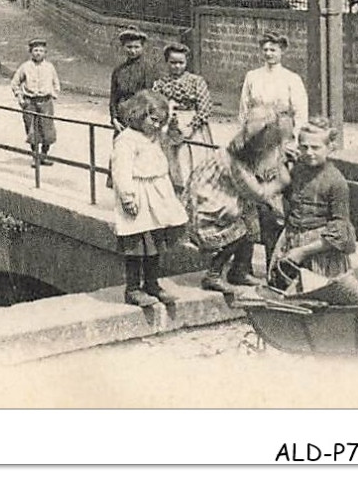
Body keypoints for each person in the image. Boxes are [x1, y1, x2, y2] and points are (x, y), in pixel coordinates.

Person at [183, 104, 290, 294]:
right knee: (243, 228)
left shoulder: (242, 151)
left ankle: (239, 270)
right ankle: (213, 275)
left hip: (218, 200)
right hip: (206, 209)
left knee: (250, 218)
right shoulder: (235, 162)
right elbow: (258, 192)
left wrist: (280, 155)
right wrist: (282, 181)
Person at [272, 122, 358, 306]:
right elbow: (280, 192)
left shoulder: (336, 182)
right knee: (288, 299)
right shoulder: (297, 170)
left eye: (316, 147)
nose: (309, 152)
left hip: (319, 252)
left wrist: (303, 252)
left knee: (319, 301)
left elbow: (341, 232)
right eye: (304, 147)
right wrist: (281, 162)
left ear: (330, 148)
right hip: (292, 239)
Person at [237, 30, 309, 262]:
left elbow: (301, 112)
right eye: (265, 49)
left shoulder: (291, 78)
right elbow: (243, 109)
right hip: (258, 137)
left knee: (280, 196)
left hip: (282, 136)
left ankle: (280, 260)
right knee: (257, 194)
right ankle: (256, 259)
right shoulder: (252, 76)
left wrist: (294, 141)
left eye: (273, 49)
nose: (269, 53)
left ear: (282, 51)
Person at [112, 90, 187, 308]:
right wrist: (127, 196)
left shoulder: (155, 137)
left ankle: (152, 284)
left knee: (155, 241)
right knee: (136, 242)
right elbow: (121, 170)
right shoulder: (127, 140)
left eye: (159, 122)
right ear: (139, 114)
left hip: (156, 193)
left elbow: (174, 140)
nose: (156, 125)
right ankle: (133, 288)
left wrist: (171, 124)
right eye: (153, 120)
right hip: (138, 192)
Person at [154, 42, 213, 192]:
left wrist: (191, 127)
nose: (177, 66)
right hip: (168, 125)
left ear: (186, 63)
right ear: (167, 62)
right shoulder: (161, 83)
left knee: (191, 161)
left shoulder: (196, 81)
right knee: (169, 162)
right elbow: (155, 105)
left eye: (181, 63)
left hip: (191, 126)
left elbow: (204, 107)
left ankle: (193, 196)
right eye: (173, 63)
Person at [11, 38, 60, 166]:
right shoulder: (25, 67)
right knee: (32, 130)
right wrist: (20, 97)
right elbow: (15, 83)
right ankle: (35, 157)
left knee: (47, 130)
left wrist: (53, 94)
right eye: (35, 50)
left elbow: (56, 83)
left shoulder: (49, 67)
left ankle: (44, 156)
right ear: (31, 52)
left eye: (41, 51)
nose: (38, 53)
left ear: (45, 53)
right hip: (30, 102)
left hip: (45, 102)